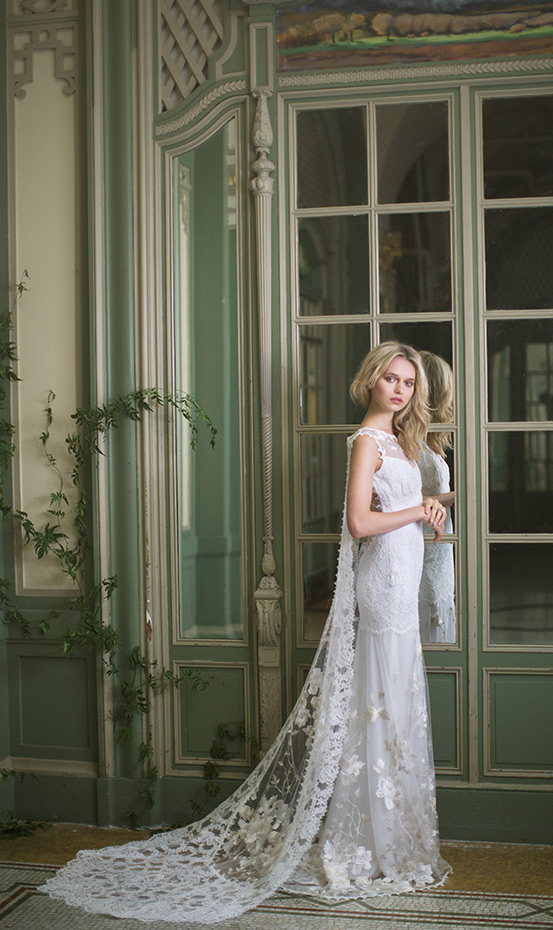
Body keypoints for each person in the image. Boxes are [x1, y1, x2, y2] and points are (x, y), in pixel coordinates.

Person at [42, 342, 451, 925]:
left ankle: (392, 842)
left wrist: (432, 507)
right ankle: (365, 845)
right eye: (390, 378)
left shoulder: (401, 443)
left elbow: (405, 506)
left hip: (401, 575)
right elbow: (361, 522)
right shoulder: (366, 442)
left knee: (394, 700)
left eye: (409, 382)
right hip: (382, 582)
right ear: (370, 382)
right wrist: (418, 512)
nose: (400, 389)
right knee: (381, 703)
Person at [417, 351, 456, 644]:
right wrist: (462, 494)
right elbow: (408, 498)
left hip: (439, 545)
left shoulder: (427, 438)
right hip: (423, 543)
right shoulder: (408, 439)